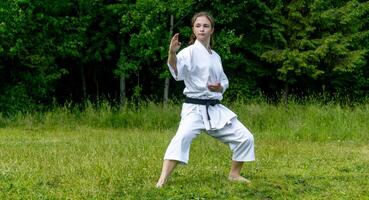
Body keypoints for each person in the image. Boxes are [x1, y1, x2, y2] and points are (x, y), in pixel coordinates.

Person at [156, 11, 255, 188]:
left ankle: (234, 174)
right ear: (193, 30)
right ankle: (162, 181)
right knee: (182, 137)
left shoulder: (215, 56)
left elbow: (224, 81)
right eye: (198, 26)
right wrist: (171, 53)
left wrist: (220, 87)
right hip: (194, 108)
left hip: (214, 109)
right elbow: (177, 71)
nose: (202, 29)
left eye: (206, 26)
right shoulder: (189, 52)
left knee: (245, 137)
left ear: (212, 30)